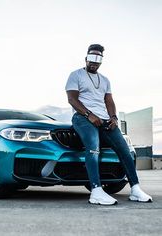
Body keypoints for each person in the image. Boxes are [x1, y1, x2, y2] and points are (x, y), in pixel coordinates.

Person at [65, 44, 152, 205]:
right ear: (86, 58)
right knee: (93, 148)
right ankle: (96, 191)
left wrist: (113, 117)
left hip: (105, 120)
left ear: (101, 61)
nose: (94, 62)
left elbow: (109, 100)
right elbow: (72, 99)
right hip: (82, 118)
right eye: (91, 57)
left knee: (125, 150)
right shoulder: (75, 75)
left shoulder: (105, 80)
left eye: (98, 58)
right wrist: (89, 115)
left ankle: (135, 189)